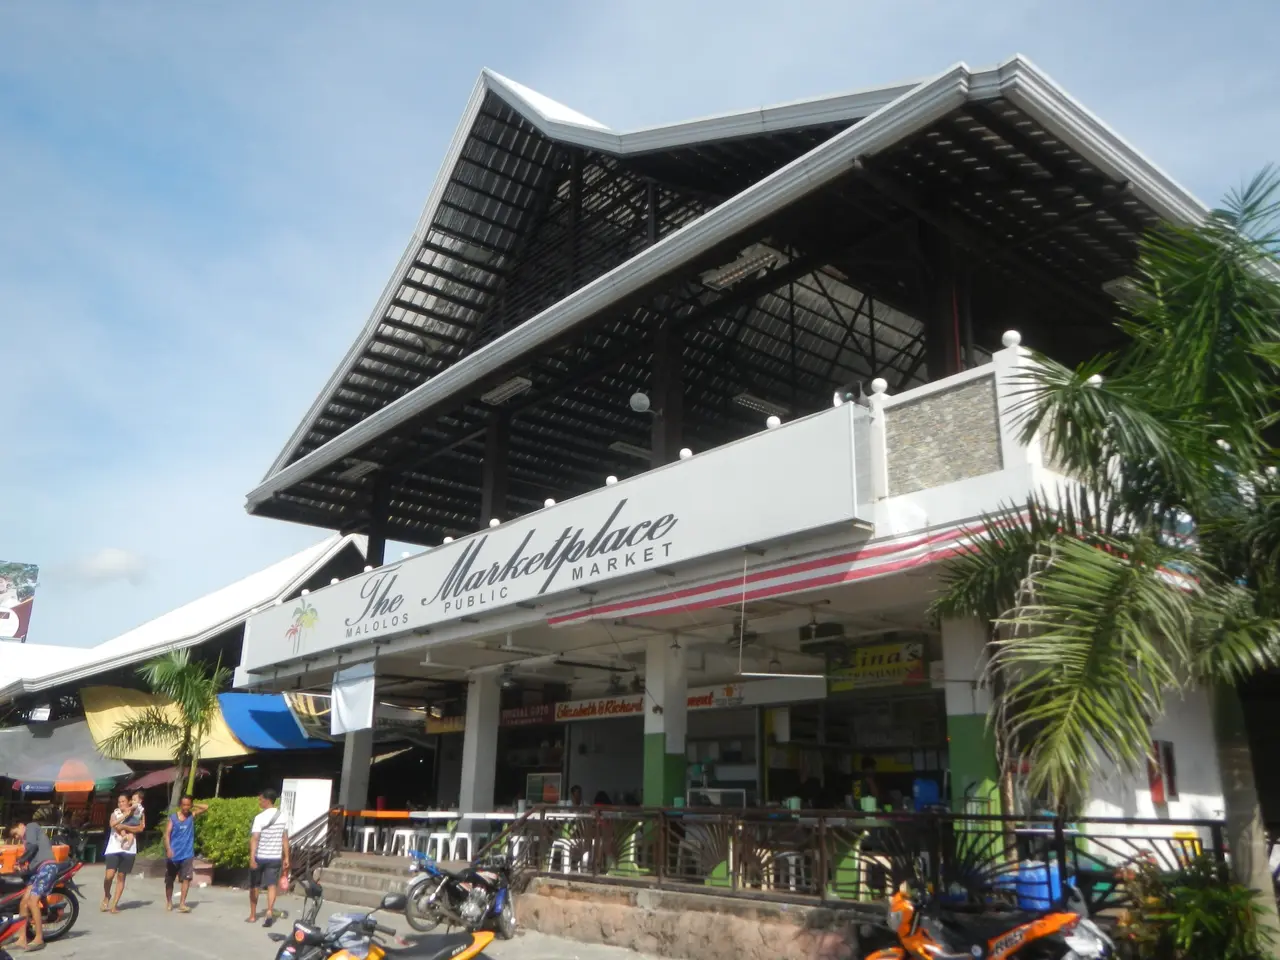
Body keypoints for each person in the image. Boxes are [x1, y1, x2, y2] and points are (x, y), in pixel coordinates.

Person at [248, 788, 290, 927]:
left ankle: (253, 916)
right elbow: (285, 839)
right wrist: (287, 858)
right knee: (272, 885)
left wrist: (252, 857)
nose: (259, 802)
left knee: (255, 885)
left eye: (261, 799)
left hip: (260, 856)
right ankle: (270, 911)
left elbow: (255, 839)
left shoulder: (259, 818)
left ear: (267, 800)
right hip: (275, 857)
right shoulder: (283, 816)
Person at [13, 820, 56, 951]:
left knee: (32, 902)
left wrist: (20, 860)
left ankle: (39, 938)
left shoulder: (31, 827)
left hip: (47, 866)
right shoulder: (27, 840)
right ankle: (22, 938)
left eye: (15, 834)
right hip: (37, 870)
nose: (17, 837)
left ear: (20, 825)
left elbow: (32, 847)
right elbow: (32, 858)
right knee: (23, 903)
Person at [163, 795, 209, 913]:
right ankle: (169, 901)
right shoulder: (173, 818)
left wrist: (194, 805)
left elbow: (206, 807)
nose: (186, 807)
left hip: (187, 854)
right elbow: (167, 834)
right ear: (180, 805)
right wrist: (168, 849)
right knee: (169, 880)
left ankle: (182, 903)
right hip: (174, 854)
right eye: (184, 805)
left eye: (188, 805)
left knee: (186, 879)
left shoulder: (191, 816)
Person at [102, 793, 144, 914]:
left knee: (121, 876)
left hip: (128, 849)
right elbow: (112, 824)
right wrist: (124, 816)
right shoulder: (115, 814)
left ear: (129, 802)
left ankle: (114, 905)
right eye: (119, 802)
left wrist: (125, 826)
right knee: (109, 875)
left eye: (123, 802)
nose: (121, 804)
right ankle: (107, 895)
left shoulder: (136, 813)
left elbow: (140, 828)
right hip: (114, 848)